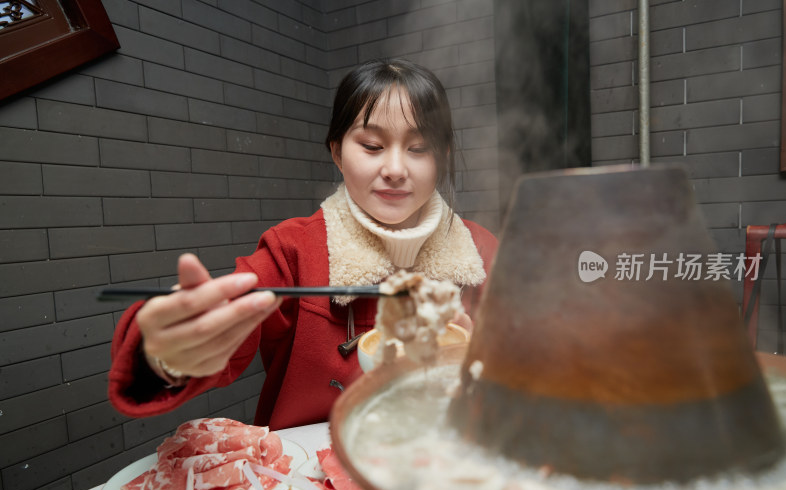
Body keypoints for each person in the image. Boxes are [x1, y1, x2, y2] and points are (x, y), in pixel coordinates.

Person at [108, 59, 498, 430]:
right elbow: (224, 332)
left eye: (418, 149)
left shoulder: (481, 251)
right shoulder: (291, 249)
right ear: (337, 153)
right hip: (309, 483)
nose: (395, 170)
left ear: (443, 157)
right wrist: (169, 352)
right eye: (372, 146)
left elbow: (536, 368)